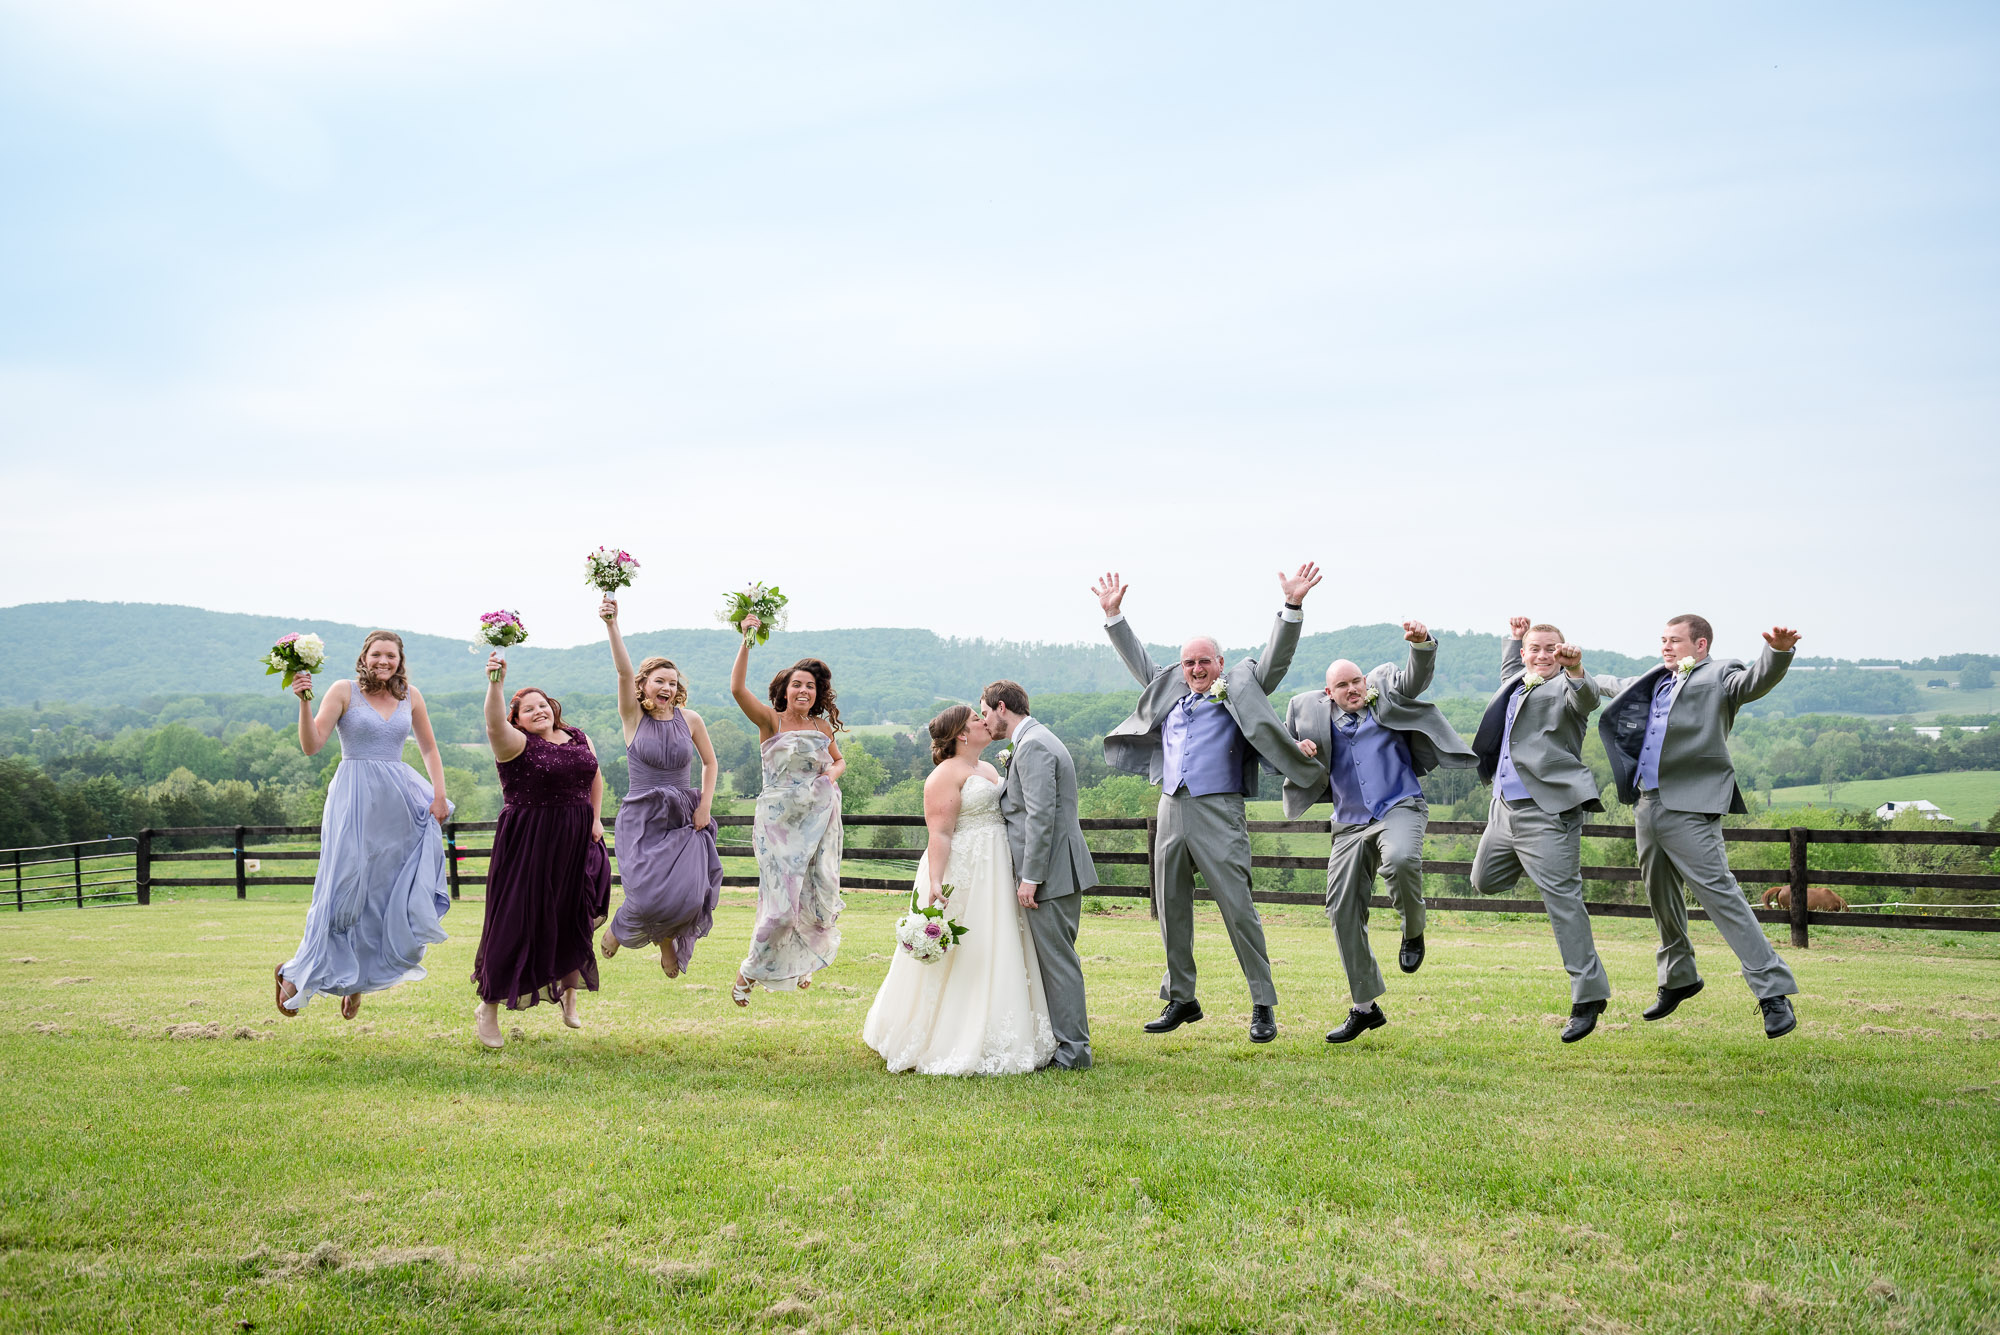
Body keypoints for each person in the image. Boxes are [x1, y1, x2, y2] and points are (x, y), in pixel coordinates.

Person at [1097, 564, 1325, 1044]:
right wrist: (1114, 615)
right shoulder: (1170, 688)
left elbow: (1276, 660)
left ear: (1220, 662)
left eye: (1204, 661)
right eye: (1189, 663)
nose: (1196, 669)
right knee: (1170, 905)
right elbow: (1139, 661)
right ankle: (1182, 997)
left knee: (1238, 908)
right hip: (1170, 807)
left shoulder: (1242, 684)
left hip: (1220, 809)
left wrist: (1292, 606)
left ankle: (1262, 1003)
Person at [1598, 614, 1803, 1038]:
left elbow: (1754, 682)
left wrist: (1777, 652)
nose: (1666, 646)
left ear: (1701, 645)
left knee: (1721, 897)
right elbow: (1616, 684)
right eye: (1663, 640)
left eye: (1675, 640)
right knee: (1661, 896)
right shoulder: (1656, 679)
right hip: (1647, 805)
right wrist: (1578, 670)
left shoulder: (1719, 674)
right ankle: (1679, 978)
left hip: (1691, 808)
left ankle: (1772, 992)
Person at [1281, 621, 1477, 1045]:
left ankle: (1413, 931)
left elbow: (1415, 679)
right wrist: (1295, 748)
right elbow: (1275, 747)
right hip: (1349, 823)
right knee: (1341, 909)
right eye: (1343, 685)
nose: (1353, 689)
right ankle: (1364, 1008)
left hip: (1399, 805)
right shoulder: (1307, 711)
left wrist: (1421, 646)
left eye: (1357, 681)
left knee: (1401, 858)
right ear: (1328, 692)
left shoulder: (1385, 692)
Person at [862, 705, 1056, 1075]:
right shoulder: (943, 775)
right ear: (961, 734)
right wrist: (936, 881)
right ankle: (948, 1034)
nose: (985, 722)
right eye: (976, 719)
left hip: (996, 867)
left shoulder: (988, 769)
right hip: (964, 870)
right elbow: (940, 833)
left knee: (998, 942)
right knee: (968, 948)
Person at [274, 631, 451, 1019]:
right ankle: (296, 969)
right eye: (377, 654)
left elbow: (428, 747)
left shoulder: (411, 696)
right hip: (353, 798)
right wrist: (304, 701)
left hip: (396, 802)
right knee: (342, 888)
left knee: (382, 893)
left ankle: (357, 982)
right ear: (364, 657)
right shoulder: (343, 691)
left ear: (400, 660)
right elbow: (311, 745)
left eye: (391, 655)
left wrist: (439, 794)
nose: (384, 661)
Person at [1467, 617, 1612, 1042]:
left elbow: (1586, 698)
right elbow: (1510, 667)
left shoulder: (1567, 688)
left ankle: (1588, 997)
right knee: (1483, 880)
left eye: (1552, 649)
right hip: (1502, 811)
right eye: (1535, 648)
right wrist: (1514, 638)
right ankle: (1534, 861)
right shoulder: (1515, 682)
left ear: (1562, 653)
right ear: (1524, 654)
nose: (1543, 655)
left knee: (1563, 903)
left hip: (1547, 814)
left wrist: (1577, 669)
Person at [470, 658, 611, 1048]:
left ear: (553, 707)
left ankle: (569, 994)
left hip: (577, 839)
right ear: (517, 719)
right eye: (528, 709)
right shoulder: (514, 743)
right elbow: (493, 724)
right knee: (515, 922)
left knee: (574, 915)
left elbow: (595, 776)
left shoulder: (577, 736)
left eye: (542, 704)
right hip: (530, 842)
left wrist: (596, 818)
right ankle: (489, 1008)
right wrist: (496, 684)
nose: (538, 711)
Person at [597, 595, 723, 978]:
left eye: (672, 682)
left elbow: (711, 763)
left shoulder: (692, 719)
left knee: (688, 894)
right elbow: (622, 673)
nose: (667, 687)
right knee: (647, 893)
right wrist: (612, 624)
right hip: (643, 816)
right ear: (644, 685)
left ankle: (666, 940)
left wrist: (705, 805)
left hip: (684, 814)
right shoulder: (633, 717)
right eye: (659, 681)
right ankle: (622, 926)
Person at [981, 680, 1098, 1069]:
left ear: (1002, 707)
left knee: (1058, 962)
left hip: (1051, 873)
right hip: (1057, 868)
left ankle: (1074, 1052)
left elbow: (1040, 816)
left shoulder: (1033, 745)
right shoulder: (1035, 739)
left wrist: (1030, 877)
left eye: (985, 712)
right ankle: (1065, 1044)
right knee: (1056, 959)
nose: (985, 721)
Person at [728, 616, 845, 1005]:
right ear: (785, 689)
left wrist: (828, 779)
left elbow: (839, 761)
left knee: (810, 899)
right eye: (797, 684)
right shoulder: (770, 719)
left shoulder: (822, 728)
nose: (803, 690)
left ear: (817, 693)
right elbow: (737, 689)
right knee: (780, 909)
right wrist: (747, 639)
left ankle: (799, 962)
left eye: (810, 686)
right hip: (776, 825)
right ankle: (749, 971)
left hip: (815, 822)